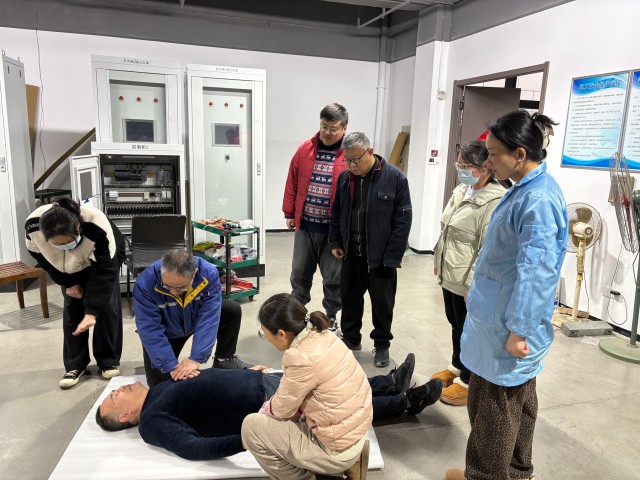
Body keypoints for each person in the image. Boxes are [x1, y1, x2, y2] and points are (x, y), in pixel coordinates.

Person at [444, 111, 568, 480]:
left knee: (494, 410)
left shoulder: (538, 200)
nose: (488, 161)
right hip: (497, 316)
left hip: (506, 327)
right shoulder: (524, 189)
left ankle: (484, 476)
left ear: (519, 154)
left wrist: (519, 329)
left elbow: (538, 271)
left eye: (494, 153)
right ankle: (516, 472)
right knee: (519, 403)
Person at [95, 353, 441, 460]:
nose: (119, 389)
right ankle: (405, 400)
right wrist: (247, 441)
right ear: (124, 416)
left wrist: (247, 371)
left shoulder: (159, 390)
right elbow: (191, 447)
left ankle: (388, 383)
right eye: (114, 397)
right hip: (266, 404)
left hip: (261, 383)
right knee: (334, 407)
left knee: (329, 386)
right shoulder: (152, 422)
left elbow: (209, 380)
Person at [241, 293, 374, 480]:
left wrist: (264, 412)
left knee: (251, 427)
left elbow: (281, 410)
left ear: (281, 334)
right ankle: (352, 462)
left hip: (337, 448)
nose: (266, 339)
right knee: (292, 415)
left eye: (264, 333)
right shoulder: (324, 334)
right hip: (354, 433)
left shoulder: (299, 357)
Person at [431, 140, 508, 406]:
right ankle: (456, 366)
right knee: (455, 324)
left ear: (485, 168)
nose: (461, 170)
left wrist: (473, 283)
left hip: (468, 279)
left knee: (469, 329)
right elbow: (447, 230)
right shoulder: (462, 190)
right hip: (451, 273)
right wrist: (439, 260)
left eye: (467, 166)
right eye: (459, 165)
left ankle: (468, 380)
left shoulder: (495, 200)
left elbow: (486, 247)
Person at [328, 131, 412, 367]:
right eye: (347, 160)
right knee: (350, 300)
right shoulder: (345, 178)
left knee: (382, 304)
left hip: (381, 257)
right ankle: (351, 339)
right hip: (351, 253)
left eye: (356, 159)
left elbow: (403, 221)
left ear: (370, 152)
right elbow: (336, 212)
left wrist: (392, 257)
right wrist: (336, 242)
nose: (352, 165)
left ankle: (381, 345)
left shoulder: (395, 178)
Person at [25, 198, 126, 389]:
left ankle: (108, 360)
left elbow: (105, 272)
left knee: (105, 308)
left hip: (102, 260)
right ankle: (75, 365)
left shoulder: (97, 226)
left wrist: (92, 311)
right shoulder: (33, 227)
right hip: (64, 268)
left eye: (68, 242)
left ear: (78, 228)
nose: (65, 245)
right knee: (73, 310)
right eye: (58, 244)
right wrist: (68, 283)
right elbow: (42, 258)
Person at [133, 249, 251, 388]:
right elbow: (149, 329)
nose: (174, 292)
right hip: (167, 331)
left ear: (194, 273)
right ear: (162, 272)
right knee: (159, 386)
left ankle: (224, 359)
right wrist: (169, 365)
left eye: (181, 287)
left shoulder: (208, 274)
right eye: (168, 286)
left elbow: (209, 318)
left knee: (231, 310)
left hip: (194, 320)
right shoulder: (145, 284)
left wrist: (196, 358)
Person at [282, 103, 349, 328]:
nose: (327, 132)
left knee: (333, 277)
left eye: (333, 128)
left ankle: (331, 316)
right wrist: (289, 212)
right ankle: (296, 315)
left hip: (334, 231)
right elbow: (292, 180)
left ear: (344, 129)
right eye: (323, 126)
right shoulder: (305, 149)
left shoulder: (349, 154)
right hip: (306, 225)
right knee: (299, 273)